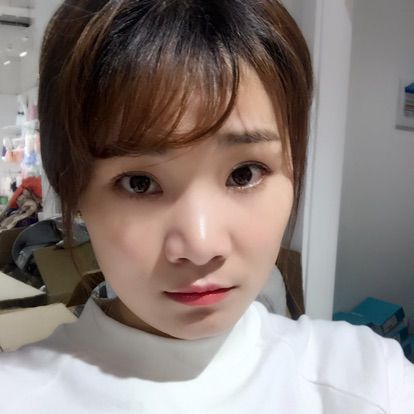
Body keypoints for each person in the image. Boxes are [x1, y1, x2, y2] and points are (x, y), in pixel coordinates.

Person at [0, 0, 413, 412]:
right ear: (74, 190)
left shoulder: (368, 381)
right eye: (140, 183)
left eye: (244, 174)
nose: (201, 247)